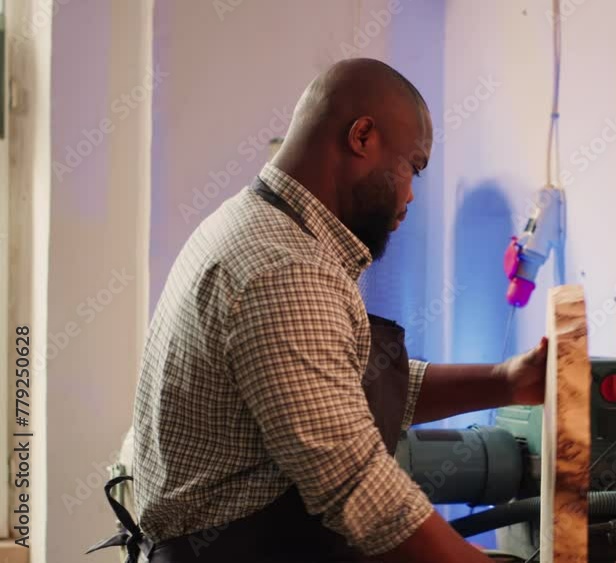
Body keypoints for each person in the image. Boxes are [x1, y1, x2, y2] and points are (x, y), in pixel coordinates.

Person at [93, 58, 548, 563]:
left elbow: (344, 385)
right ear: (362, 137)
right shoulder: (286, 267)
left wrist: (508, 380)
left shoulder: (251, 224)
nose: (410, 195)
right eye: (412, 167)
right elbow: (359, 488)